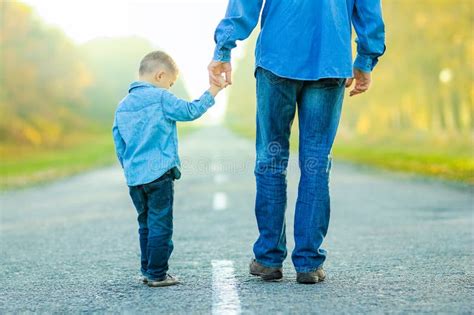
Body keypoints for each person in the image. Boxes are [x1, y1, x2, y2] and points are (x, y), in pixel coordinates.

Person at [209, 0, 386, 284]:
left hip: (278, 57)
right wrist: (366, 59)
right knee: (316, 163)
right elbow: (368, 10)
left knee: (271, 160)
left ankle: (268, 258)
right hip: (331, 58)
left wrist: (224, 49)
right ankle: (308, 263)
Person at [112, 51, 226, 287]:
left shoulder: (122, 106)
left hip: (135, 178)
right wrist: (214, 90)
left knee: (145, 224)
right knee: (161, 225)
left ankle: (147, 270)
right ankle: (157, 274)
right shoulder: (161, 97)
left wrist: (130, 169)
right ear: (160, 75)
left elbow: (119, 143)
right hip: (159, 174)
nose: (170, 88)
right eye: (171, 84)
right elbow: (190, 111)